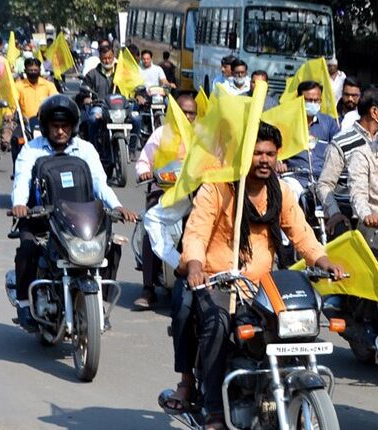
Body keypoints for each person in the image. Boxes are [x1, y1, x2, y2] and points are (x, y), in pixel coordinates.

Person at [163, 122, 346, 429]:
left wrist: (323, 261)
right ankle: (212, 405)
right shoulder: (217, 188)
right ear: (243, 154)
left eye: (270, 154)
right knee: (217, 322)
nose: (264, 160)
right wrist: (194, 266)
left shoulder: (280, 192)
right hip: (216, 280)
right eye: (257, 153)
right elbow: (196, 233)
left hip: (262, 286)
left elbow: (301, 233)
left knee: (296, 326)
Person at [10, 95, 137, 330]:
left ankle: (98, 303)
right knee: (27, 247)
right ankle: (25, 304)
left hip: (81, 219)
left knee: (110, 246)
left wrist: (117, 206)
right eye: (55, 126)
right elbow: (22, 179)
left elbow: (100, 183)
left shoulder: (85, 149)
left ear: (73, 126)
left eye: (65, 126)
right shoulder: (32, 149)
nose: (60, 131)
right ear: (46, 126)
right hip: (41, 217)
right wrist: (20, 205)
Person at [133, 94, 197, 309]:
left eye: (192, 113)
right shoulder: (162, 134)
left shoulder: (200, 136)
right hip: (162, 193)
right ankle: (148, 287)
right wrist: (144, 172)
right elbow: (144, 161)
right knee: (149, 227)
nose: (187, 116)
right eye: (183, 112)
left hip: (193, 196)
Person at [317, 86, 378, 230]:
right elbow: (324, 185)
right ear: (374, 112)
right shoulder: (341, 143)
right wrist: (335, 213)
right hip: (349, 214)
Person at [278, 80, 340, 199]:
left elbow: (339, 150)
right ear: (298, 99)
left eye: (316, 100)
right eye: (308, 100)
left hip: (323, 179)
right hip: (295, 177)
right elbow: (275, 148)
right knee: (288, 193)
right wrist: (279, 162)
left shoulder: (329, 123)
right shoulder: (286, 122)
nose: (312, 103)